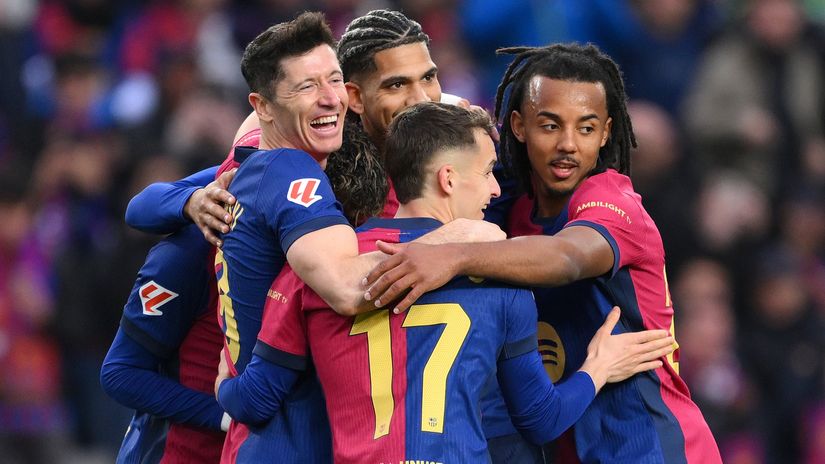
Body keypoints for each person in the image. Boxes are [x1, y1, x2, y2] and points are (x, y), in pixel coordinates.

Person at [124, 9, 534, 462]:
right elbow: (336, 290)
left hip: (359, 430)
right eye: (397, 84)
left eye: (430, 78)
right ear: (357, 97)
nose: (421, 98)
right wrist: (188, 201)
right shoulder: (295, 164)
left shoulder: (446, 154)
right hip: (286, 423)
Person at [216, 102, 674, 463]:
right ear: (448, 179)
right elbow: (541, 418)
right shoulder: (501, 276)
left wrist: (223, 381)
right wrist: (598, 367)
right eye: (489, 172)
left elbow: (256, 401)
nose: (496, 190)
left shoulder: (320, 269)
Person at [363, 44, 722, 463]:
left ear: (606, 132)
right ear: (518, 125)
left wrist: (454, 255)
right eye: (550, 126)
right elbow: (427, 183)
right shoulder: (501, 201)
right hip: (559, 438)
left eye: (586, 129)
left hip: (646, 441)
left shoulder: (613, 201)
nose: (568, 144)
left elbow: (566, 258)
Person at [100, 225, 226, 463]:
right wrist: (224, 416)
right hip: (173, 453)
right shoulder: (187, 254)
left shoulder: (296, 252)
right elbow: (120, 374)